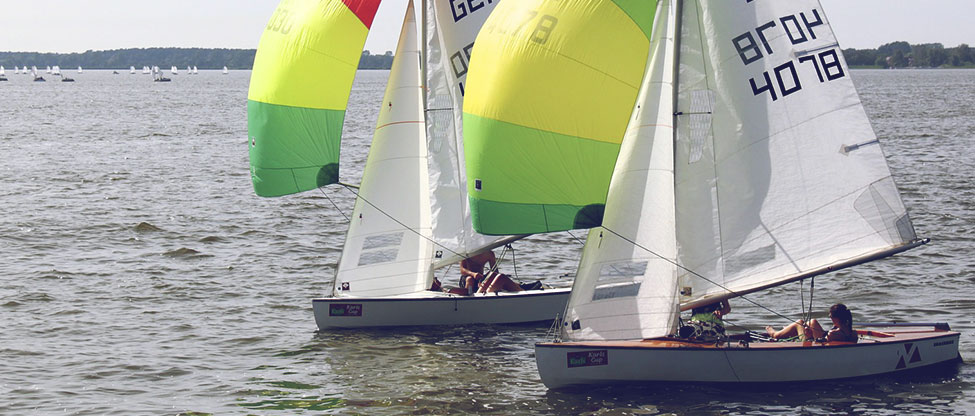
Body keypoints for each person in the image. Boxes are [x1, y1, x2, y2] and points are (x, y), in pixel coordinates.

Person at [766, 303, 857, 343]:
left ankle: (774, 334)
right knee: (812, 321)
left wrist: (809, 336)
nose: (830, 318)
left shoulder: (833, 334)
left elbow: (815, 345)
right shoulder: (853, 333)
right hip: (825, 339)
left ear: (836, 318)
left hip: (810, 344)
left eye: (830, 316)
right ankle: (788, 330)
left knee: (799, 323)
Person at [459, 250, 523, 294]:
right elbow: (462, 270)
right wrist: (473, 274)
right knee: (470, 279)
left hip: (480, 278)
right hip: (468, 277)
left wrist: (487, 277)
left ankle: (520, 287)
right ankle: (468, 295)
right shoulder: (466, 252)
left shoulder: (489, 253)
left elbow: (495, 271)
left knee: (495, 276)